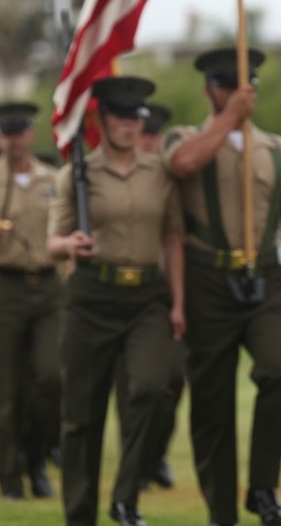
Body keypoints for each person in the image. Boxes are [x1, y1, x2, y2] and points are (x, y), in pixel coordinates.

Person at [162, 47, 281, 526]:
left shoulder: (278, 149)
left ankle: (263, 487)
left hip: (266, 275)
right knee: (212, 403)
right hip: (208, 277)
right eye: (224, 83)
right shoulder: (185, 136)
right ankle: (221, 511)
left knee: (280, 375)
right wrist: (228, 118)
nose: (235, 91)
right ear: (209, 88)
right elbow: (184, 165)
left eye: (243, 83)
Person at [48, 76, 184, 526]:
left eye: (136, 118)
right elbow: (52, 242)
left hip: (147, 298)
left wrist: (178, 303)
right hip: (91, 296)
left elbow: (171, 237)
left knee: (150, 389)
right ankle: (80, 514)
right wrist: (71, 245)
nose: (129, 125)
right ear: (101, 120)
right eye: (120, 117)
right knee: (82, 416)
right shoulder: (77, 174)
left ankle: (126, 497)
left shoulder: (160, 172)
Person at [0, 101, 60, 499]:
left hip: (47, 286)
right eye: (6, 133)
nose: (14, 139)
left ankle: (37, 459)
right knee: (8, 389)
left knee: (49, 377)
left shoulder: (53, 179)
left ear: (31, 134)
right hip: (4, 288)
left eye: (21, 131)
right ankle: (10, 479)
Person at [114, 100, 184, 492]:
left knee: (172, 380)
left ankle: (155, 453)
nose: (149, 140)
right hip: (124, 292)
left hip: (164, 291)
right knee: (133, 387)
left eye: (154, 134)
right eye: (145, 132)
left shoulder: (170, 178)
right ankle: (135, 465)